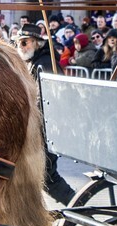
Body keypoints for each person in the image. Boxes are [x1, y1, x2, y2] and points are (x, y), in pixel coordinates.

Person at [15, 22, 74, 202]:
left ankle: (78, 205)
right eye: (18, 43)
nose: (21, 47)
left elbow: (49, 98)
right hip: (38, 126)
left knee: (48, 176)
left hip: (47, 127)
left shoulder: (45, 63)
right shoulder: (32, 62)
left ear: (37, 43)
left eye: (25, 42)